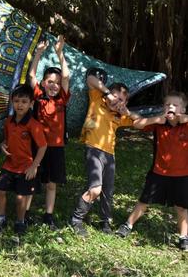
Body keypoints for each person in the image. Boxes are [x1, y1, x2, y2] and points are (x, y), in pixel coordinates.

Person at [70, 68, 140, 236]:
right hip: (93, 149)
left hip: (110, 156)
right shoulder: (97, 99)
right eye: (116, 96)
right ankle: (76, 219)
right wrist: (108, 93)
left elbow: (139, 121)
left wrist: (126, 111)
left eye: (122, 100)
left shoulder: (120, 116)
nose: (117, 101)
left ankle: (105, 221)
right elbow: (91, 78)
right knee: (95, 189)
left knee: (107, 191)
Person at [116, 92, 188, 251]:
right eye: (168, 104)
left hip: (182, 175)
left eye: (175, 105)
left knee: (182, 207)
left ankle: (184, 237)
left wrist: (183, 118)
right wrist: (157, 119)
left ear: (182, 109)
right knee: (144, 201)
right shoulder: (159, 123)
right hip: (158, 172)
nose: (170, 107)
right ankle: (128, 225)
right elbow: (137, 124)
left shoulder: (185, 124)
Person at [26, 35, 70, 229]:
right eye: (50, 81)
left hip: (56, 147)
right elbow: (31, 76)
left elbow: (67, 77)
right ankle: (25, 213)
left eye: (57, 83)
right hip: (37, 146)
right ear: (44, 83)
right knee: (32, 181)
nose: (54, 85)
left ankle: (48, 215)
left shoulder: (62, 100)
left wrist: (60, 53)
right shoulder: (38, 97)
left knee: (52, 184)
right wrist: (38, 53)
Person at [0, 85, 47, 235]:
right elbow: (7, 140)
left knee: (20, 197)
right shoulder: (9, 121)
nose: (20, 105)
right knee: (0, 190)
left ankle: (20, 221)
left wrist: (34, 166)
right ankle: (1, 219)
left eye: (24, 101)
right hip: (9, 165)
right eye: (16, 101)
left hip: (26, 167)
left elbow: (43, 147)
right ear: (12, 102)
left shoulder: (34, 125)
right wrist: (3, 144)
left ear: (31, 104)